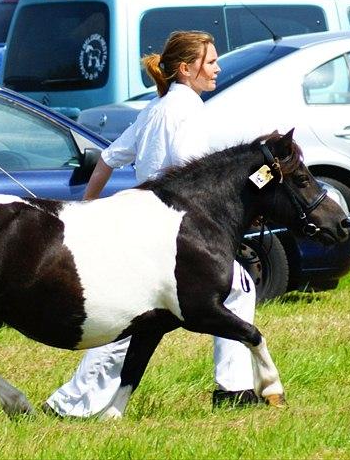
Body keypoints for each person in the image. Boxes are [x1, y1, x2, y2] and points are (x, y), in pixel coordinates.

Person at [43, 30, 259, 418]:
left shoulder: (155, 108)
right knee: (133, 318)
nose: (217, 68)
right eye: (210, 62)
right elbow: (194, 178)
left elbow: (108, 159)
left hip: (145, 223)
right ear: (185, 69)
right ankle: (69, 404)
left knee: (233, 290)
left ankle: (234, 389)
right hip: (170, 231)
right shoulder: (186, 110)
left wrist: (86, 207)